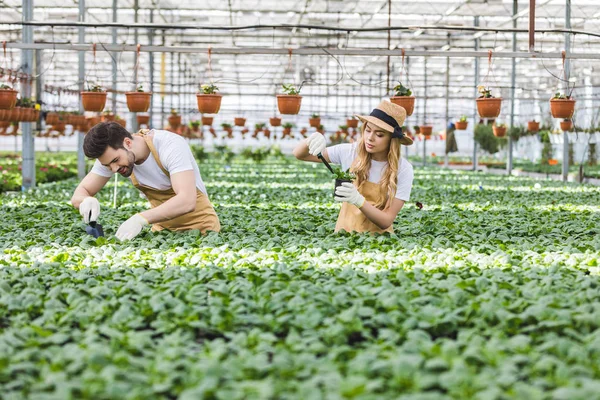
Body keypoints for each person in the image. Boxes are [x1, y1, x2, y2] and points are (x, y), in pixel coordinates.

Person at [71, 122, 220, 240]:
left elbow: (187, 200)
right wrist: (85, 200)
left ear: (128, 143)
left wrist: (140, 219)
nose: (114, 169)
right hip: (163, 234)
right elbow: (79, 194)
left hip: (203, 233)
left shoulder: (170, 145)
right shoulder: (110, 158)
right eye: (107, 165)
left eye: (116, 160)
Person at [293, 100, 414, 233]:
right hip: (343, 240)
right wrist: (311, 139)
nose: (370, 138)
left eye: (379, 134)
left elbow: (386, 221)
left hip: (380, 243)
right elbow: (300, 154)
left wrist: (358, 200)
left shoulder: (403, 169)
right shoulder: (350, 152)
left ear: (392, 140)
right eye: (368, 130)